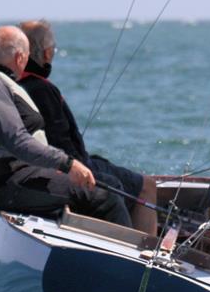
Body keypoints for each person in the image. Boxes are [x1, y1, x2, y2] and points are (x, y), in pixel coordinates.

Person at [0, 25, 131, 227]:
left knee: (106, 184)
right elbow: (18, 142)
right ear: (20, 58)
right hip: (4, 184)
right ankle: (128, 256)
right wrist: (67, 163)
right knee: (105, 195)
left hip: (18, 177)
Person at [17, 20, 158, 236]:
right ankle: (144, 252)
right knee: (147, 186)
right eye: (52, 48)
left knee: (106, 166)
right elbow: (62, 146)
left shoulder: (15, 87)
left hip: (39, 172)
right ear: (46, 53)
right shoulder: (43, 90)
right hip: (70, 168)